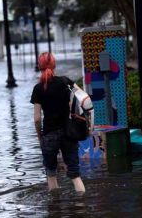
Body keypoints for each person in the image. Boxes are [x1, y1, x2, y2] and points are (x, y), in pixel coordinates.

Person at [30, 52, 86, 193]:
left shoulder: (38, 88)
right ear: (54, 65)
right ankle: (82, 205)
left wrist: (40, 136)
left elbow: (37, 118)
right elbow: (84, 98)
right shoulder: (65, 81)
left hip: (49, 135)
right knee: (75, 174)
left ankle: (55, 207)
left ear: (39, 66)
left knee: (51, 174)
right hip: (69, 132)